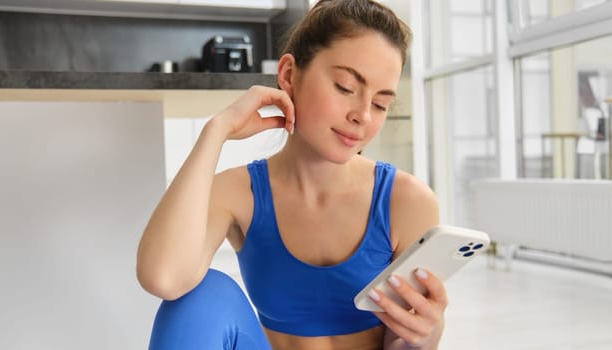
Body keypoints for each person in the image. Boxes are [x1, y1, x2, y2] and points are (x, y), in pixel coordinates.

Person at [136, 0, 446, 349]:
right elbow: (163, 277)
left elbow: (400, 343)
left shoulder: (406, 202)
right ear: (288, 75)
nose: (362, 115)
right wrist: (216, 131)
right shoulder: (240, 193)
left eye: (380, 104)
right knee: (204, 295)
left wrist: (424, 340)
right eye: (345, 87)